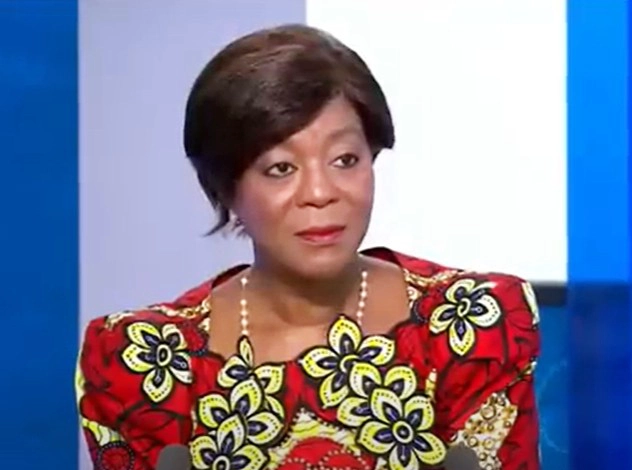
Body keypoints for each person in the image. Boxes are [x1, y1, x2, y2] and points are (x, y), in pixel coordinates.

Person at [75, 24, 541, 470]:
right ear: (225, 186)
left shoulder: (469, 326)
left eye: (345, 159)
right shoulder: (146, 363)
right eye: (280, 168)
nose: (320, 193)